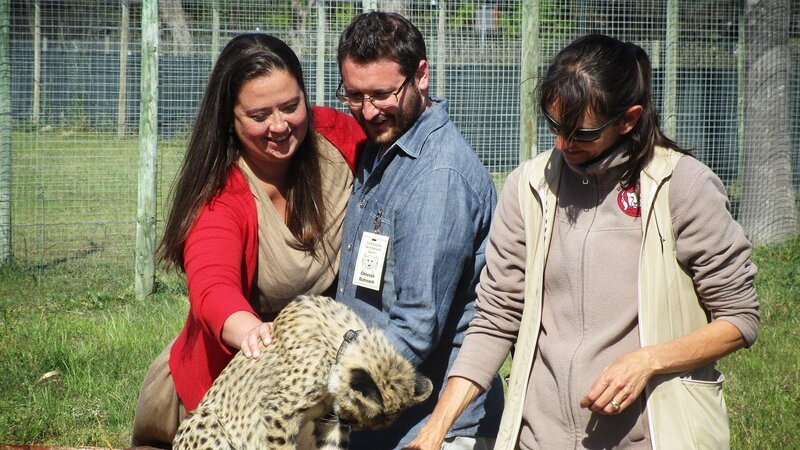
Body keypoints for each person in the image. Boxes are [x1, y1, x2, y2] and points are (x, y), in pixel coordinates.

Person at [407, 34, 760, 450]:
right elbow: (495, 318)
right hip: (539, 439)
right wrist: (434, 431)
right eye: (554, 126)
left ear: (627, 120)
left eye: (581, 133)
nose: (562, 144)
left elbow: (739, 319)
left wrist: (648, 361)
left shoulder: (681, 186)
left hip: (648, 437)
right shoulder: (529, 187)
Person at [130, 33, 365, 447]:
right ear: (229, 119)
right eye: (259, 115)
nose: (280, 125)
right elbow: (211, 286)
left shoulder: (335, 135)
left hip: (305, 386)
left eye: (292, 106)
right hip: (220, 398)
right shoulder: (221, 198)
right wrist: (255, 333)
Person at [333, 11, 504, 450]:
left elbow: (416, 325)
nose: (368, 111)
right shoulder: (386, 144)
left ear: (421, 75)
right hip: (381, 415)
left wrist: (333, 381)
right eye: (353, 95)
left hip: (433, 428)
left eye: (381, 94)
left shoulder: (437, 176)